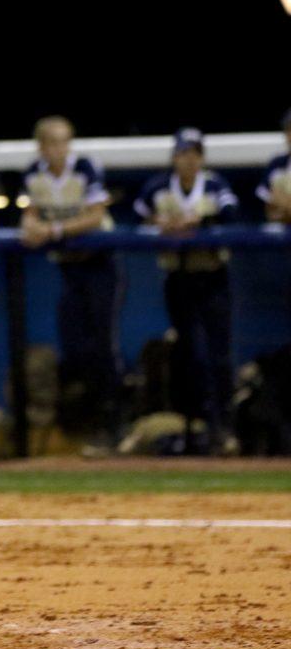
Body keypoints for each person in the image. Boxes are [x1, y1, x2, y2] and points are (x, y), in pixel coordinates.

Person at [18, 116, 123, 452]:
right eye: (51, 142)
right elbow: (29, 214)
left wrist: (53, 231)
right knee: (76, 350)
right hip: (69, 270)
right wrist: (30, 225)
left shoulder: (86, 167)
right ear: (41, 145)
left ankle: (113, 428)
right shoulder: (34, 172)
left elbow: (95, 215)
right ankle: (87, 427)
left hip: (101, 265)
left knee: (104, 349)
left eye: (63, 141)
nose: (58, 148)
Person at [134, 128, 239, 455]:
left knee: (218, 355)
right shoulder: (159, 186)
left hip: (212, 276)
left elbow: (231, 213)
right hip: (177, 278)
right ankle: (191, 429)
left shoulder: (215, 184)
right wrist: (160, 222)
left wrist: (197, 220)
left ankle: (224, 428)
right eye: (183, 153)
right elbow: (138, 215)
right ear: (175, 157)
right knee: (187, 355)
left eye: (194, 153)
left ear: (201, 158)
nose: (188, 159)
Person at [257, 108, 291, 223]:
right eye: (288, 130)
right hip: (281, 232)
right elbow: (269, 212)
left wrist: (285, 203)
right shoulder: (277, 164)